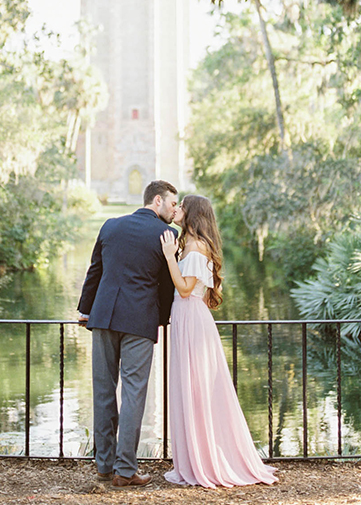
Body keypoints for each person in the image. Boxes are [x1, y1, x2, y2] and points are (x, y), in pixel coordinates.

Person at [160, 194, 277, 488]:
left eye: (182, 206)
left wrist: (168, 256)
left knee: (198, 389)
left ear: (192, 214)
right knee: (191, 387)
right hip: (187, 319)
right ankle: (196, 456)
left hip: (191, 318)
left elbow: (186, 289)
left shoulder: (196, 248)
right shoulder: (191, 246)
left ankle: (206, 460)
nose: (178, 210)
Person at [77, 179, 178, 487]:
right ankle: (125, 470)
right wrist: (161, 320)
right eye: (173, 203)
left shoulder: (110, 226)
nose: (175, 210)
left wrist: (85, 310)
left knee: (104, 390)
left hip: (104, 316)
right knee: (134, 393)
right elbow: (167, 287)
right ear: (157, 201)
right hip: (139, 322)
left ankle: (104, 466)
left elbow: (95, 270)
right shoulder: (167, 234)